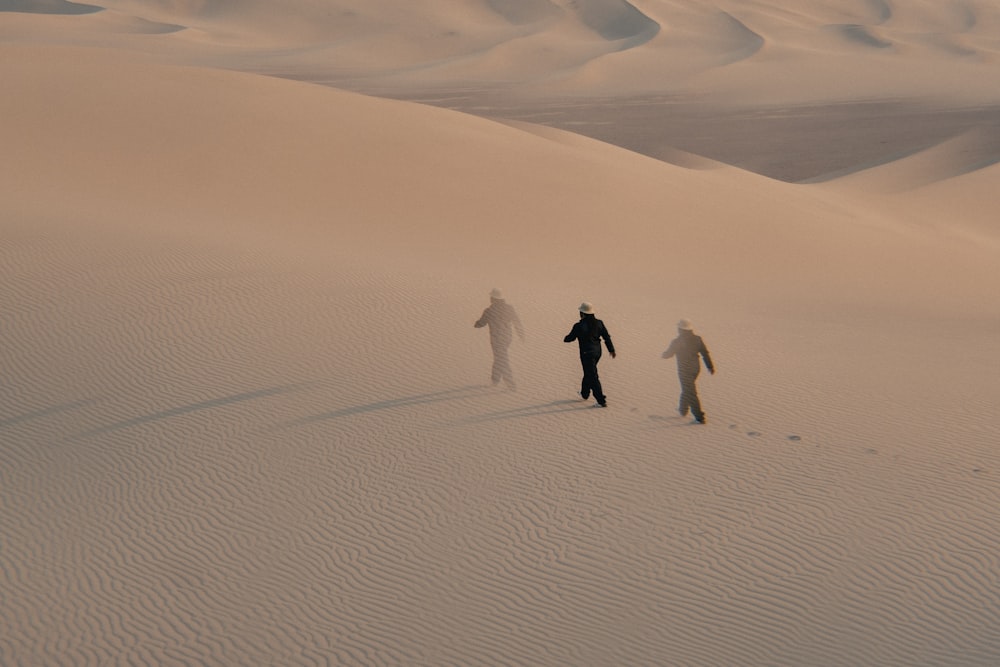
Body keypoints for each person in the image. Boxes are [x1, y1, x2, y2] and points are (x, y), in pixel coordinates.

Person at [662, 319, 714, 424]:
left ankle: (699, 417)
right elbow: (705, 353)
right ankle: (682, 410)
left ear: (680, 329)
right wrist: (710, 366)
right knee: (687, 389)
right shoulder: (698, 339)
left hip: (684, 370)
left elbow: (668, 354)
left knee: (690, 392)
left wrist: (664, 355)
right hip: (695, 369)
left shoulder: (677, 341)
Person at [564, 302, 615, 407]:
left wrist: (565, 338)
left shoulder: (579, 326)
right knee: (589, 372)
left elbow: (570, 338)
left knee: (592, 376)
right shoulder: (599, 323)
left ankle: (601, 400)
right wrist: (611, 349)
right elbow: (606, 337)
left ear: (582, 313)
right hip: (597, 353)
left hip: (586, 354)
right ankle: (584, 393)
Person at [474, 288, 525, 389]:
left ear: (493, 298)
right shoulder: (509, 308)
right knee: (499, 358)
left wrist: (476, 324)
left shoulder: (489, 311)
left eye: (491, 297)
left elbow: (481, 323)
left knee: (501, 359)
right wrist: (521, 334)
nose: (490, 299)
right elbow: (517, 322)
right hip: (507, 338)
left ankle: (510, 383)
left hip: (496, 339)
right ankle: (495, 381)